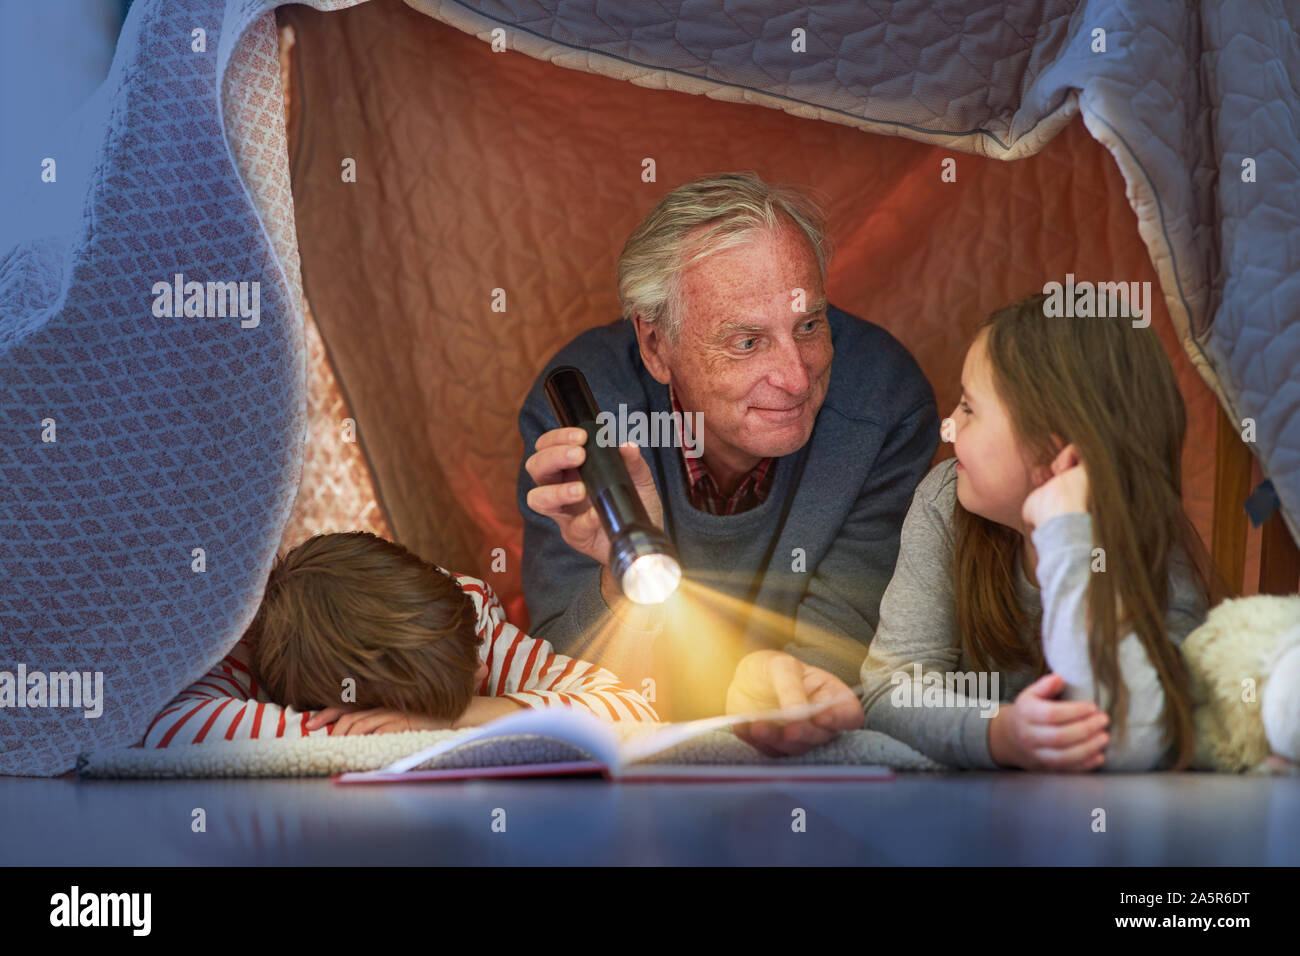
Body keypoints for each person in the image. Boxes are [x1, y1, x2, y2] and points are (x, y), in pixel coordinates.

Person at [518, 171, 938, 738]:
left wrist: (790, 700)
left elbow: (842, 641)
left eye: (810, 325)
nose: (795, 377)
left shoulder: (885, 401)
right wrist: (620, 588)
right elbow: (568, 685)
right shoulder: (582, 412)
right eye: (747, 342)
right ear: (654, 345)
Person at [858, 293, 1222, 770]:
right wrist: (998, 732)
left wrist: (1067, 535)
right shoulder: (943, 501)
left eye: (969, 408)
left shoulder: (1150, 539)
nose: (948, 427)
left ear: (1055, 454)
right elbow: (889, 690)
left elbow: (1137, 739)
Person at [142, 531, 657, 747]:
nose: (484, 677)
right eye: (470, 688)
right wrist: (370, 738)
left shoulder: (467, 617)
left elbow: (634, 713)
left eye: (475, 673)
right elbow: (168, 727)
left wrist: (461, 716)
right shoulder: (240, 645)